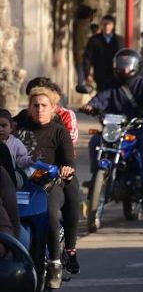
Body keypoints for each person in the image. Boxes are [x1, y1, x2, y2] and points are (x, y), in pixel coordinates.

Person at [14, 87, 79, 285]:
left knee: (50, 213)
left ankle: (56, 262)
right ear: (29, 108)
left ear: (53, 109)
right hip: (21, 185)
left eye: (44, 106)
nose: (39, 109)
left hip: (50, 184)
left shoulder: (59, 132)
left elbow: (68, 160)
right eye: (35, 106)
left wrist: (66, 169)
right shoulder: (18, 129)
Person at [79, 49, 143, 197]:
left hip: (137, 128)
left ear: (136, 66)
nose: (124, 68)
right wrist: (91, 106)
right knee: (95, 141)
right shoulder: (110, 84)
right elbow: (100, 99)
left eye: (128, 65)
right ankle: (95, 176)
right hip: (113, 129)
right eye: (121, 64)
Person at [25, 78, 79, 157]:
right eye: (34, 102)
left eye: (44, 105)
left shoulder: (66, 115)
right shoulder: (26, 114)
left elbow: (69, 141)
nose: (39, 109)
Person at [82, 14, 123, 91]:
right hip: (100, 75)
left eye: (109, 24)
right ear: (101, 25)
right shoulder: (94, 40)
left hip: (116, 76)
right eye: (104, 24)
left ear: (113, 26)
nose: (106, 26)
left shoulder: (119, 40)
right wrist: (87, 73)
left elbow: (123, 56)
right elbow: (87, 58)